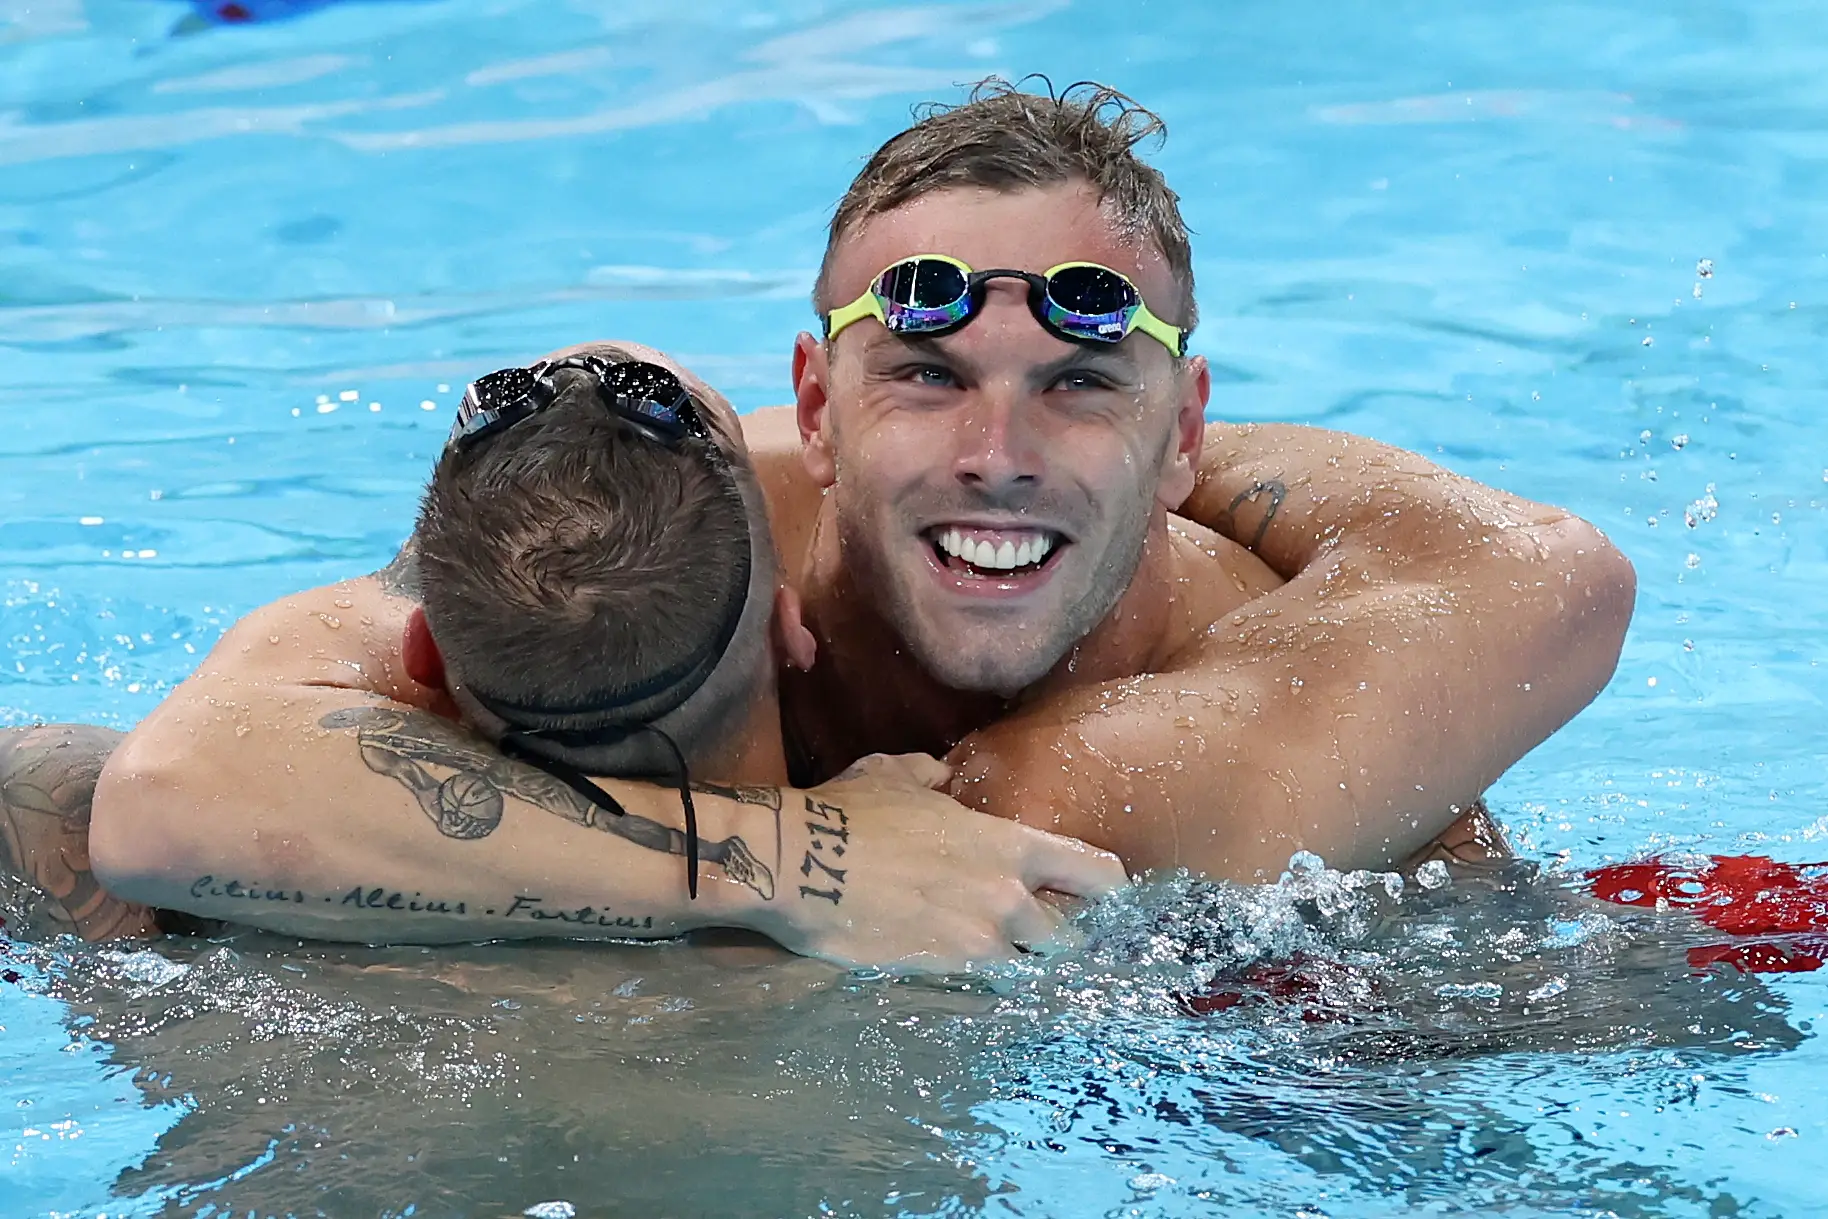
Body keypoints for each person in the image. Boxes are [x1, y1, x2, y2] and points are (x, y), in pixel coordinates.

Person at [70, 79, 1632, 969]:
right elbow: (171, 784)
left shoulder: (1187, 705)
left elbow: (1562, 580)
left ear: (1187, 434)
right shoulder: (685, 514)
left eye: (1080, 386)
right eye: (929, 379)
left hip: (1382, 1033)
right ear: (815, 405)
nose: (998, 457)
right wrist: (791, 860)